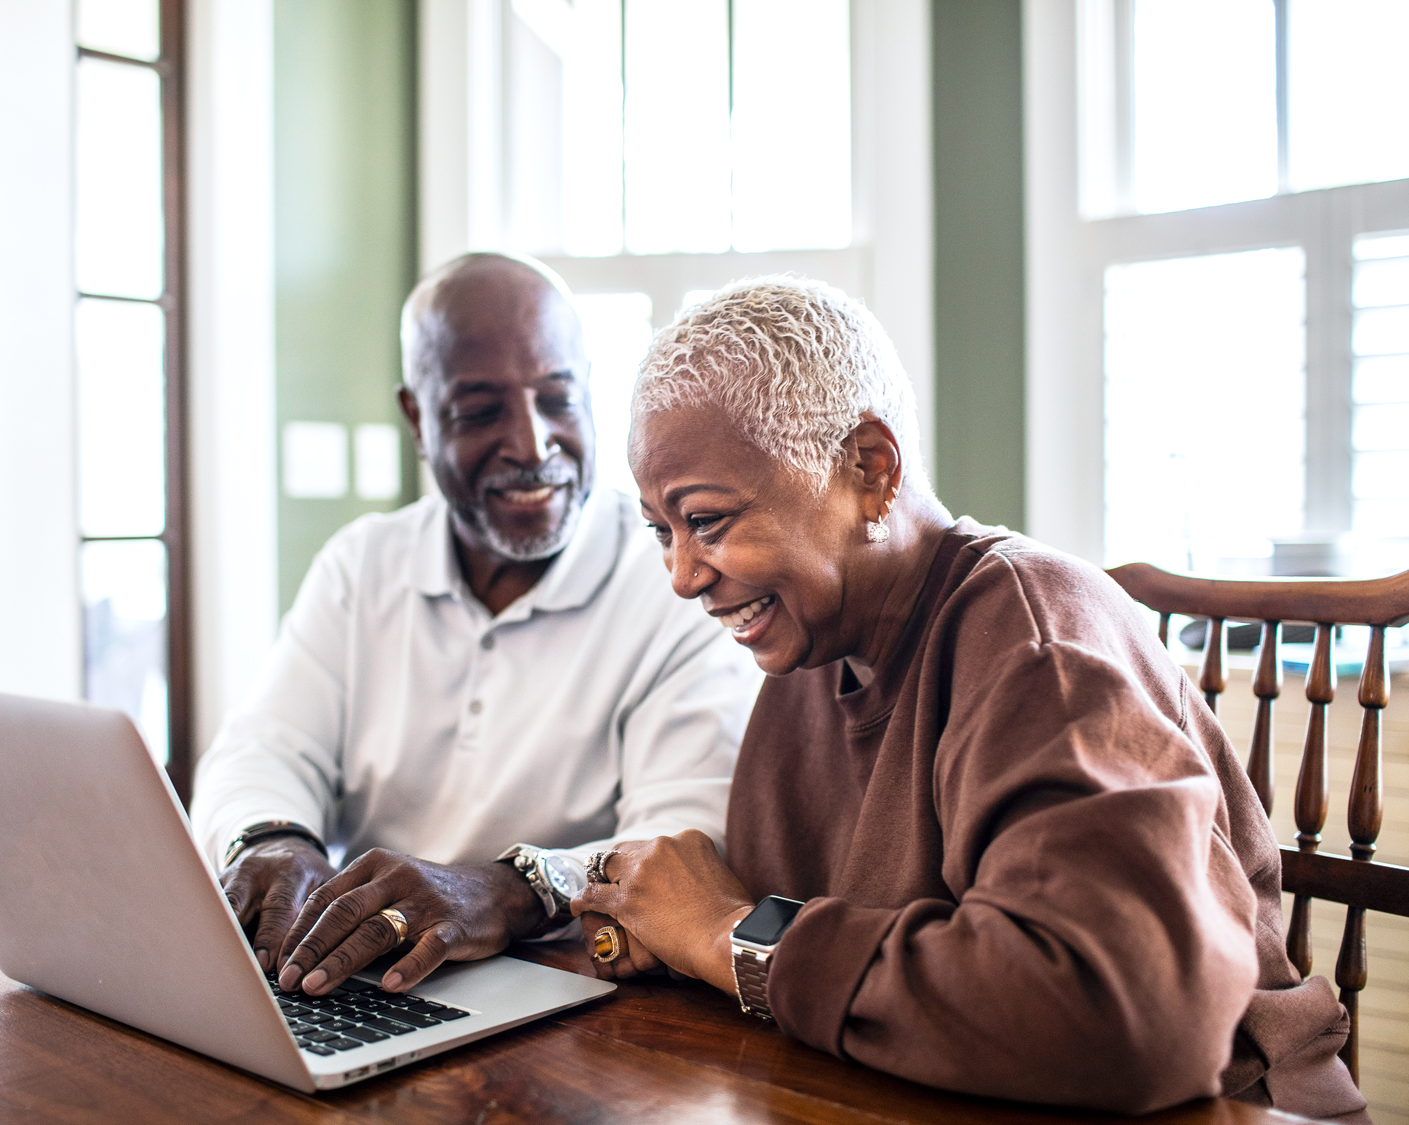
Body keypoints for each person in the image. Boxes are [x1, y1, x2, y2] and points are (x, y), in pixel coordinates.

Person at [571, 277, 1367, 1121]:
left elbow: (1127, 1013)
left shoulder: (1036, 634)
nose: (684, 577)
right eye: (662, 529)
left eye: (708, 520)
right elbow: (795, 939)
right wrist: (688, 933)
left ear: (868, 472)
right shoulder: (808, 652)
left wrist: (736, 938)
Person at [190, 253, 760, 999]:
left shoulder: (677, 580)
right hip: (357, 984)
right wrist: (273, 838)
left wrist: (513, 888)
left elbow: (685, 845)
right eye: (481, 411)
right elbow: (262, 749)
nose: (531, 445)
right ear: (418, 419)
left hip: (571, 1000)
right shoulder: (363, 566)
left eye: (558, 399)